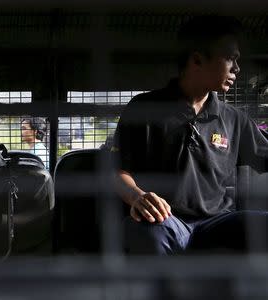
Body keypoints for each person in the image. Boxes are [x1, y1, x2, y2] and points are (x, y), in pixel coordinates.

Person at [113, 16, 268, 255]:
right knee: (144, 233)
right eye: (231, 58)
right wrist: (137, 197)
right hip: (165, 221)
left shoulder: (234, 119)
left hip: (218, 224)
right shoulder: (143, 108)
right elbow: (117, 172)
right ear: (197, 59)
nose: (237, 68)